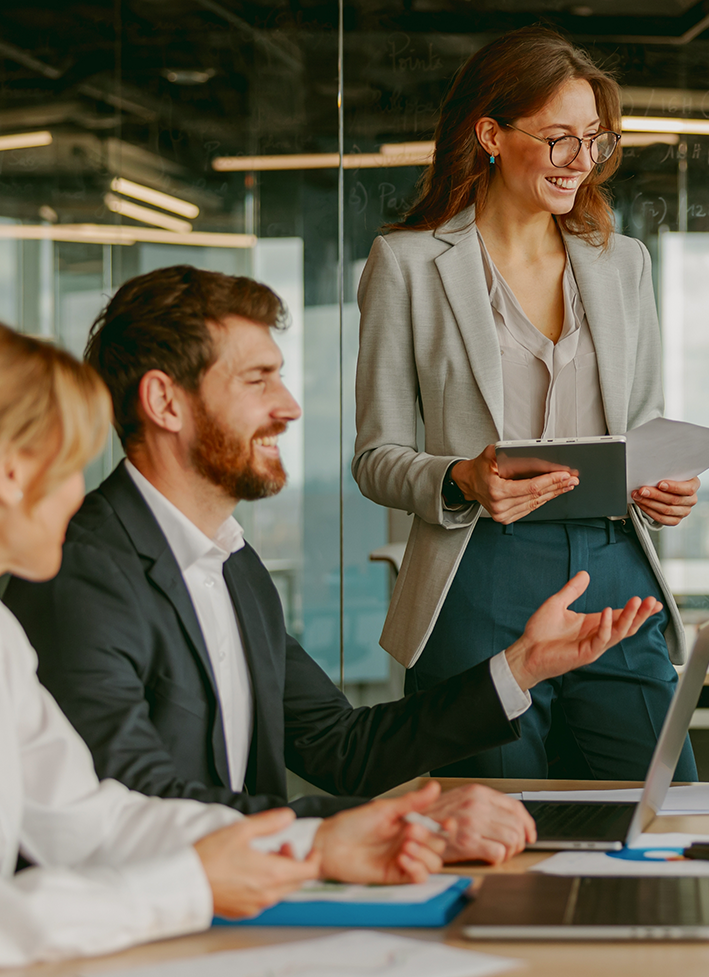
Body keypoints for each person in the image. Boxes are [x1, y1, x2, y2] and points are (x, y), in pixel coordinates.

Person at [6, 265, 662, 865]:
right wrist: (399, 826)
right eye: (258, 379)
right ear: (166, 403)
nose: (289, 406)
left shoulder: (231, 563)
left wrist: (522, 667)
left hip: (249, 908)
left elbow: (341, 748)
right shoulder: (79, 575)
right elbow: (139, 805)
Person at [0, 323, 456, 967]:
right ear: (14, 474)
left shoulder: (4, 641)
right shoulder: (84, 576)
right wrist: (192, 884)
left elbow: (90, 819)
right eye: (72, 464)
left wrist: (312, 845)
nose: (81, 492)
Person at [352, 25, 699, 780]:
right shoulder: (408, 264)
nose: (581, 162)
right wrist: (461, 479)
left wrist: (663, 483)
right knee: (498, 832)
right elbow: (376, 460)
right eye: (559, 140)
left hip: (615, 570)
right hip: (477, 572)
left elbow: (642, 427)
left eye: (595, 142)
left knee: (662, 813)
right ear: (490, 135)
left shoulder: (622, 264)